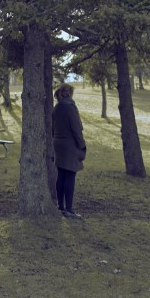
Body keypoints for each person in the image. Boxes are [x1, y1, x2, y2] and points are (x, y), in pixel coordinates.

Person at [52, 83, 87, 219]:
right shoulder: (70, 107)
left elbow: (52, 128)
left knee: (61, 175)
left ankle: (60, 207)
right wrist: (82, 145)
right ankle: (69, 209)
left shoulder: (56, 108)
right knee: (70, 175)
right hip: (69, 145)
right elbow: (76, 129)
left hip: (58, 143)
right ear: (69, 93)